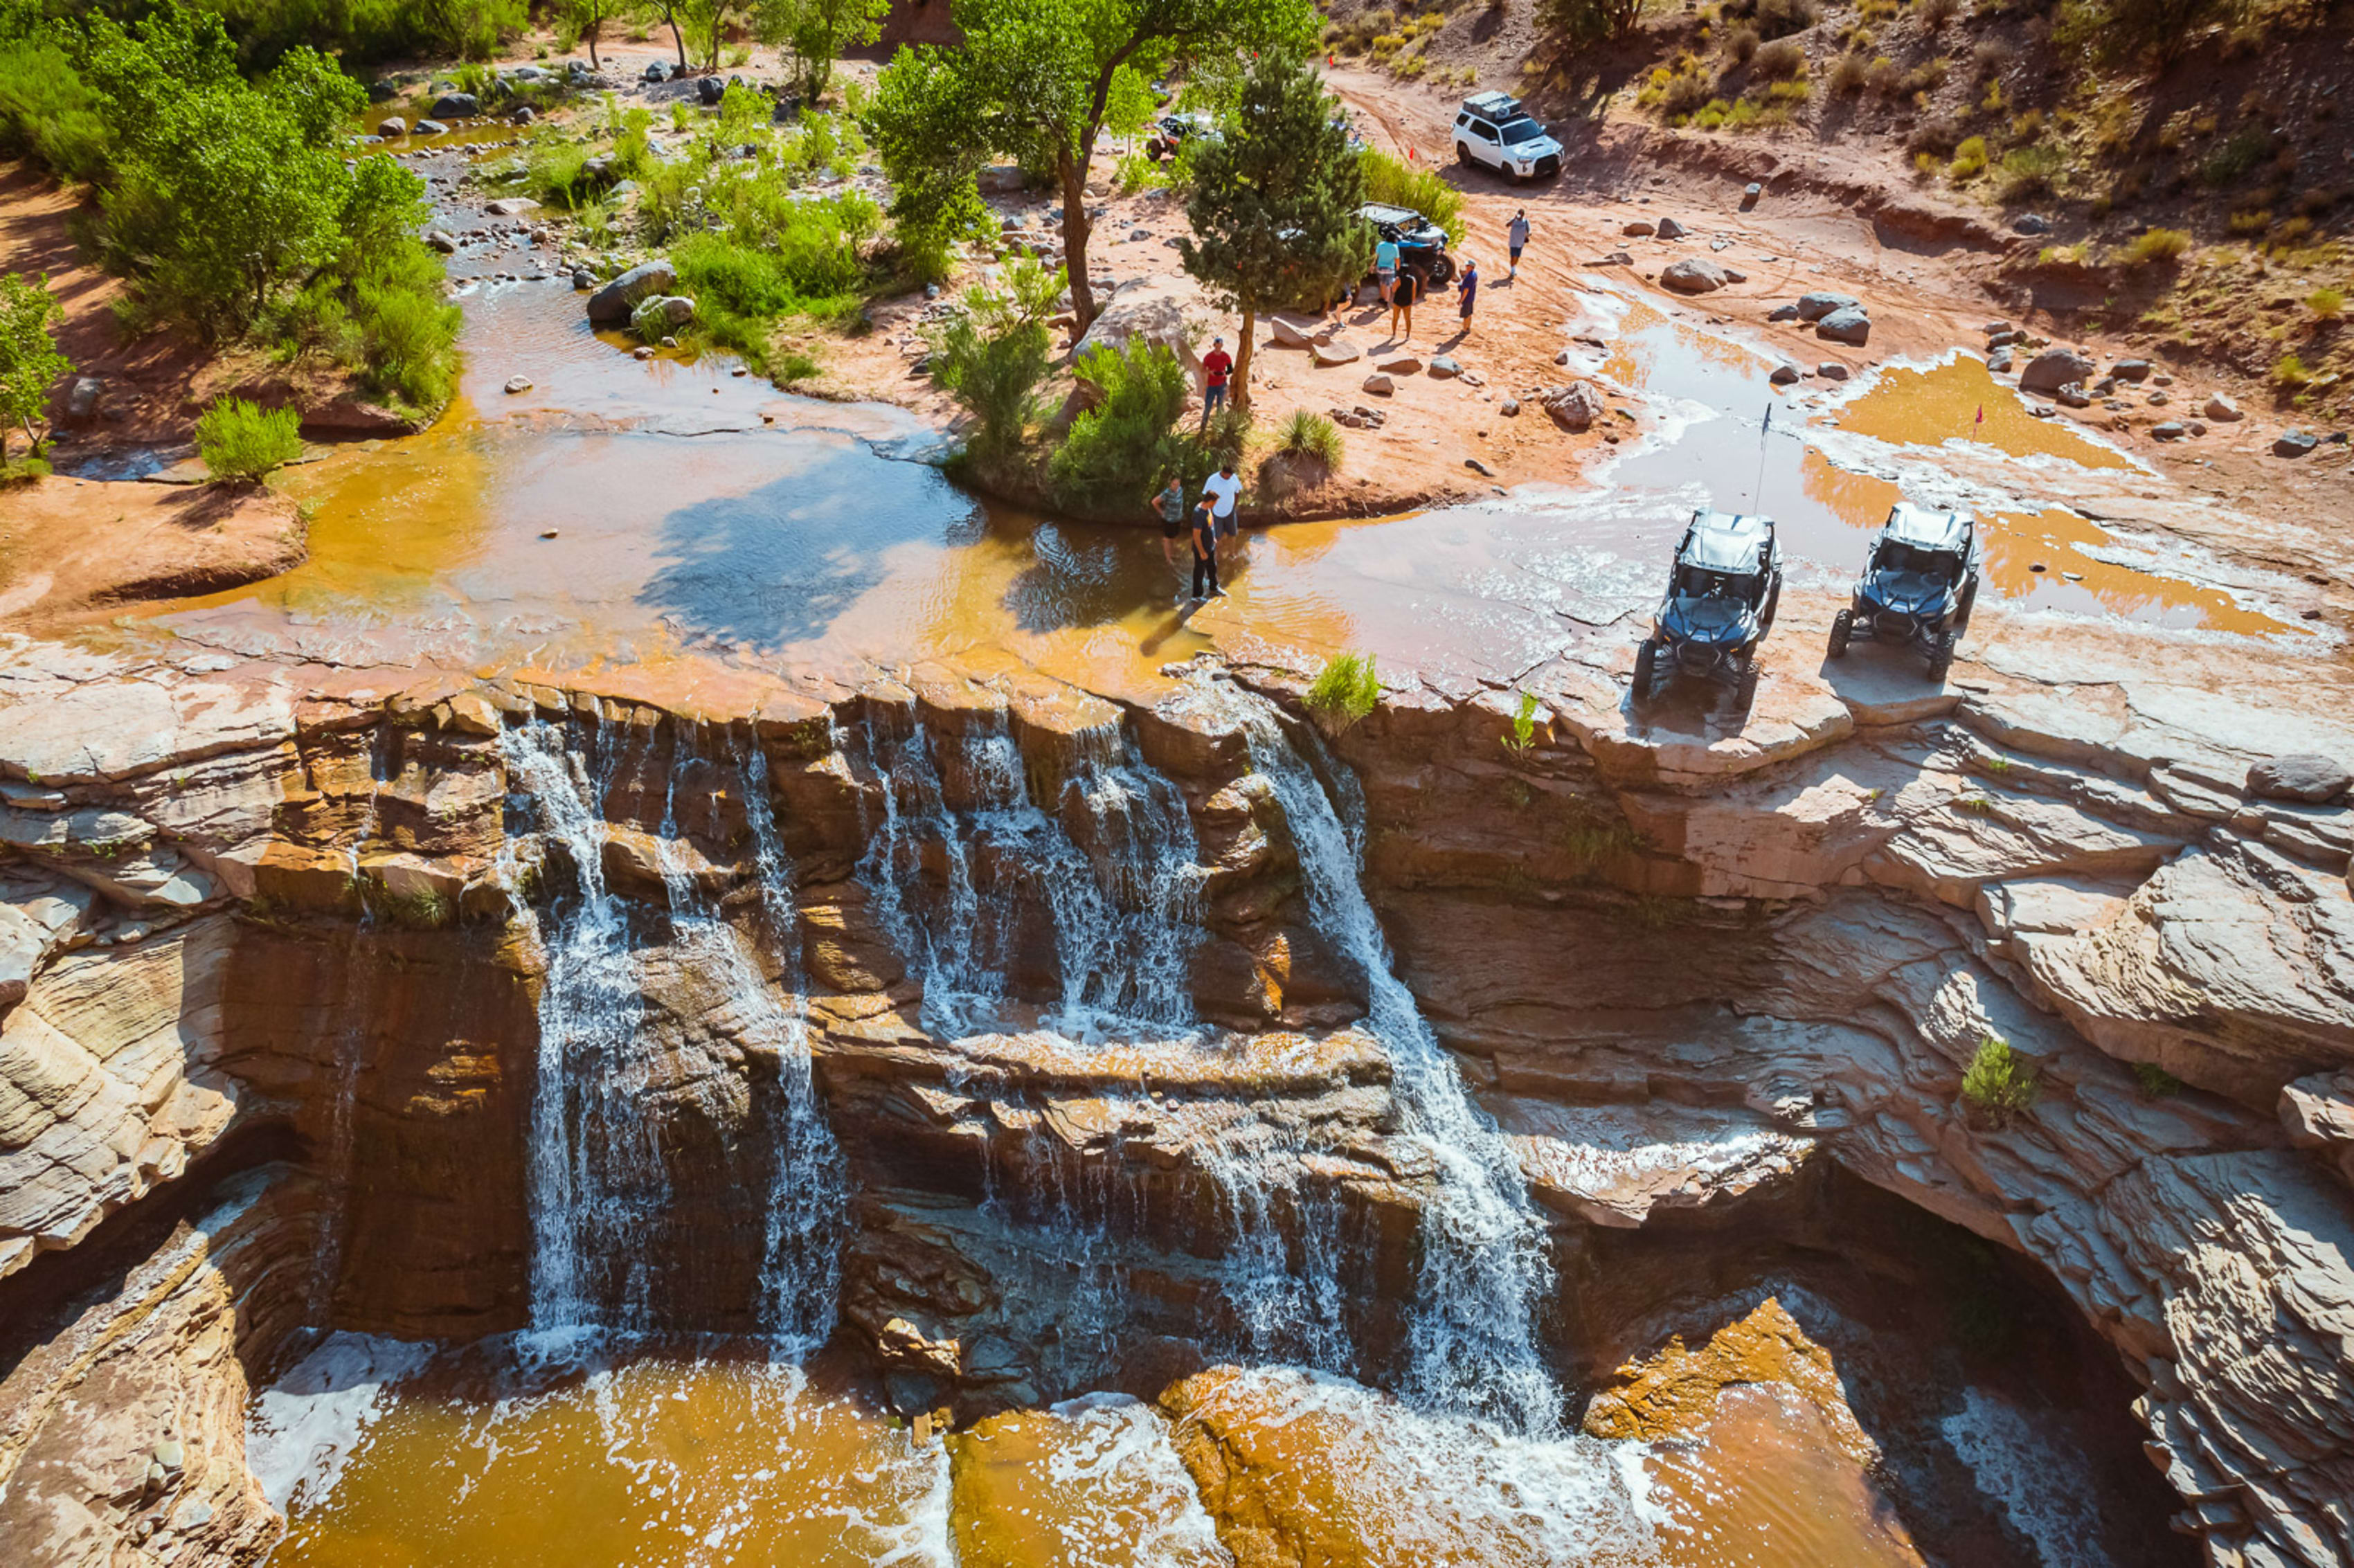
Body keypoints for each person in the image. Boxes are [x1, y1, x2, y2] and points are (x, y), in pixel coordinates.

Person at [1201, 459, 1242, 557]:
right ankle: (1218, 555)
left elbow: (1237, 492)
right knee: (1217, 536)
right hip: (1216, 512)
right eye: (1227, 476)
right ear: (1222, 472)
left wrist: (1234, 506)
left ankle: (1231, 553)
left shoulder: (1234, 478)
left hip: (1230, 511)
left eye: (1230, 476)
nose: (1229, 478)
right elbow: (1206, 496)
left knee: (1233, 534)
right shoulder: (1212, 480)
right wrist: (1208, 512)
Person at [1187, 494, 1221, 602]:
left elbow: (1210, 523)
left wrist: (1214, 537)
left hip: (1210, 545)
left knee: (1212, 567)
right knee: (1199, 572)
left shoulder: (1208, 509)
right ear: (1210, 501)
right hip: (1202, 549)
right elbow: (1196, 535)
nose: (1215, 504)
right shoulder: (1199, 513)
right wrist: (1202, 552)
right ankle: (1197, 596)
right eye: (1215, 502)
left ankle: (1214, 588)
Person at [1150, 474, 1187, 571]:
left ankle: (1173, 554)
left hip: (1178, 518)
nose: (1176, 486)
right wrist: (1162, 512)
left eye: (1178, 484)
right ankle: (1168, 559)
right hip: (1168, 520)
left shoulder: (1180, 490)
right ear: (1170, 484)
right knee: (1167, 538)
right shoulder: (1166, 493)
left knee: (1174, 537)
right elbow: (1154, 502)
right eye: (1174, 484)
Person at [1200, 336, 1233, 429]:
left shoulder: (1226, 356)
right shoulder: (1208, 357)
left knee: (1220, 407)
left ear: (1222, 345)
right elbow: (1203, 369)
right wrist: (1210, 372)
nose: (1218, 346)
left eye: (1220, 344)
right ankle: (1203, 427)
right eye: (1216, 344)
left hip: (1222, 385)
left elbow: (1231, 370)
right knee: (1208, 407)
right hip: (1211, 386)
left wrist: (1224, 373)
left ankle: (1219, 427)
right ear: (1214, 345)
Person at [1388, 268, 1416, 342]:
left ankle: (1394, 334)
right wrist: (1412, 301)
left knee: (1395, 318)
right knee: (1408, 319)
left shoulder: (1398, 279)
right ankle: (1408, 335)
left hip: (1398, 301)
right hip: (1407, 302)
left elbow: (1394, 290)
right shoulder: (1413, 280)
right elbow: (1413, 291)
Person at [1372, 233, 1400, 306]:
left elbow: (1376, 256)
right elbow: (1397, 259)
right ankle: (1386, 301)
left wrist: (1373, 265)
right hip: (1390, 269)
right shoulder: (1395, 247)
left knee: (1382, 283)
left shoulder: (1381, 245)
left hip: (1380, 267)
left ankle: (1382, 297)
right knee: (1388, 284)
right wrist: (1398, 266)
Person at [1456, 258, 1478, 338]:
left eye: (1467, 265)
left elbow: (1466, 290)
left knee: (1465, 315)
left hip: (1467, 299)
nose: (1466, 266)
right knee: (1469, 314)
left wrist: (1461, 300)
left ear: (1471, 267)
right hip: (1471, 298)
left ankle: (1464, 330)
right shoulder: (1474, 274)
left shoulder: (1469, 277)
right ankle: (1468, 328)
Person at [1507, 210, 1529, 280]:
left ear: (1523, 215)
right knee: (1513, 257)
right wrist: (1514, 219)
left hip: (1520, 243)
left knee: (1517, 257)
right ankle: (1512, 271)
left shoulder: (1525, 222)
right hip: (1513, 242)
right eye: (1519, 213)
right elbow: (1507, 225)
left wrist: (1527, 236)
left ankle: (1513, 269)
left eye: (1521, 214)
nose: (1520, 215)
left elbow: (1529, 231)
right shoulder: (1514, 221)